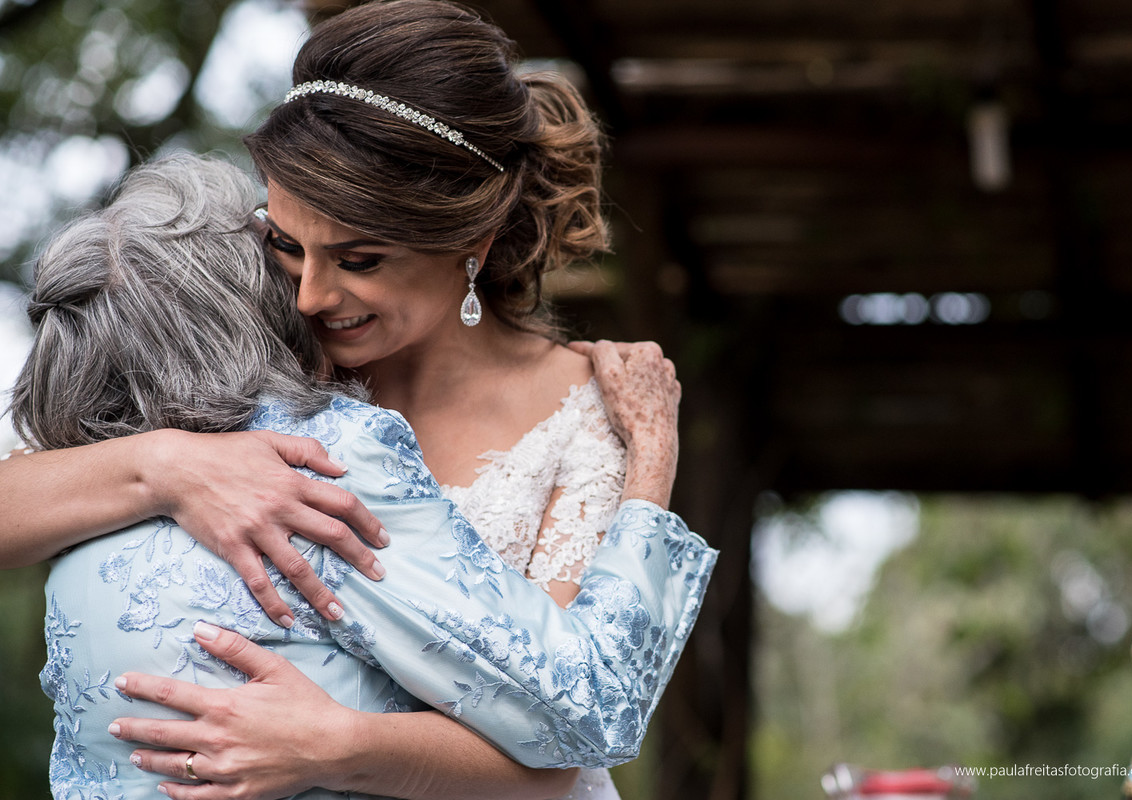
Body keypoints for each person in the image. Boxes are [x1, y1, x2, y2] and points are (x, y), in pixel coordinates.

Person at [0, 2, 707, 798]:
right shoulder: (258, 347)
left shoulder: (582, 412)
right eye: (287, 245)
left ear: (470, 242)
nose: (309, 295)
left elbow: (560, 752)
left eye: (359, 259)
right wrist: (166, 466)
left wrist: (341, 746)